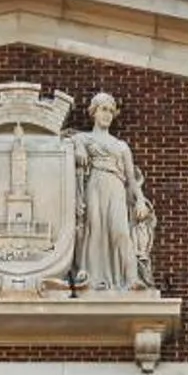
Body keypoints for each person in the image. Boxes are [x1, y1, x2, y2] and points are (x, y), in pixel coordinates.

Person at [69, 94, 156, 292]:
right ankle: (91, 277)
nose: (107, 114)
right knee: (94, 229)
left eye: (110, 110)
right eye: (103, 109)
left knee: (120, 232)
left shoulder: (121, 146)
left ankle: (131, 278)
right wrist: (80, 147)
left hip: (115, 186)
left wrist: (140, 201)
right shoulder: (84, 138)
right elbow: (70, 139)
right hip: (94, 184)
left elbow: (131, 179)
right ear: (94, 112)